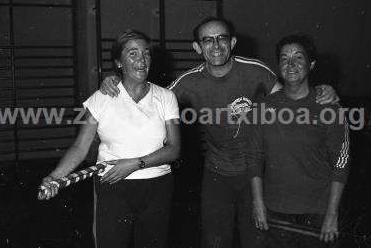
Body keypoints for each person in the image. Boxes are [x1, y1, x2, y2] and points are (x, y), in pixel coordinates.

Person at [99, 17, 339, 248]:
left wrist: (320, 91)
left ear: (232, 43)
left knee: (256, 240)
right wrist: (115, 81)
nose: (216, 46)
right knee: (214, 241)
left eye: (222, 38)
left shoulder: (255, 70)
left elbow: (290, 98)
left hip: (257, 175)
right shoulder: (188, 82)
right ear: (197, 47)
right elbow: (149, 98)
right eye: (207, 40)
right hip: (217, 176)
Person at [38, 30, 181, 248]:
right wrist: (55, 176)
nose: (142, 60)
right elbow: (80, 147)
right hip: (112, 184)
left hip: (158, 186)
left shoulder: (166, 97)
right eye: (133, 54)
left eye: (146, 54)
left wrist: (135, 163)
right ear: (119, 62)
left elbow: (174, 149)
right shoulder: (102, 97)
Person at [247, 34, 349, 248]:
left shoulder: (330, 108)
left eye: (298, 58)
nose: (290, 63)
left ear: (311, 64)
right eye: (284, 58)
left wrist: (332, 213)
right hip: (275, 211)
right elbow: (254, 158)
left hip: (317, 212)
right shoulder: (263, 108)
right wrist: (258, 203)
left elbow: (341, 163)